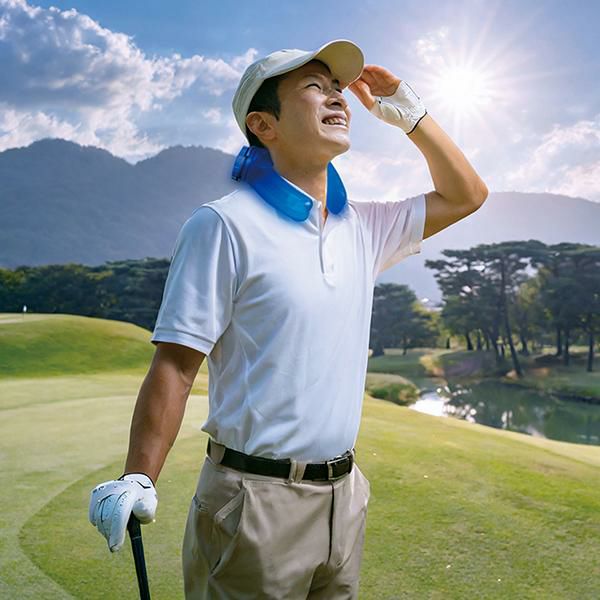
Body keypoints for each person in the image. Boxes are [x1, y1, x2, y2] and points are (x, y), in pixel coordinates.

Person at [88, 38, 488, 599]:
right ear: (264, 125)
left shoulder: (364, 227)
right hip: (252, 500)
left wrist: (412, 115)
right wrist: (139, 475)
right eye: (314, 89)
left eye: (337, 89)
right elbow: (176, 365)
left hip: (344, 497)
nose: (337, 98)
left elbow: (467, 194)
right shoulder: (222, 226)